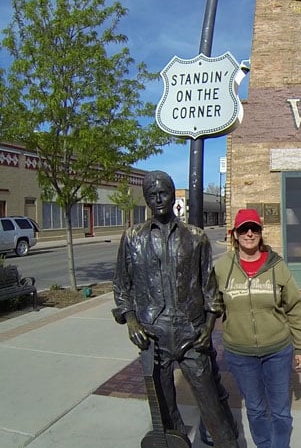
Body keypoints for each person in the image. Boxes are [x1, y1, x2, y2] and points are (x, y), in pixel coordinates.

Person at [112, 170, 238, 448]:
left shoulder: (196, 237)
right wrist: (131, 320)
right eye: (152, 195)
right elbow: (122, 286)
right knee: (164, 408)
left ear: (172, 196)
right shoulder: (132, 238)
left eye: (163, 193)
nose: (158, 199)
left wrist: (208, 328)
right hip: (152, 338)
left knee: (211, 402)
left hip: (191, 334)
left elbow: (209, 288)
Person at [214, 208, 301, 448]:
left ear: (260, 233)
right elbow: (210, 304)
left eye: (254, 228)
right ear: (234, 234)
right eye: (243, 229)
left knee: (280, 411)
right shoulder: (222, 268)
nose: (249, 233)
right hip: (241, 354)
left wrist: (300, 347)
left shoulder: (277, 266)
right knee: (255, 409)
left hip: (277, 351)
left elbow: (295, 306)